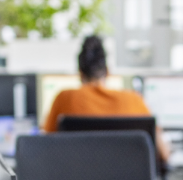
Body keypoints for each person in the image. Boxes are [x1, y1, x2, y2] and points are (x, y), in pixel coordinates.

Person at [42, 35, 170, 162]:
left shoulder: (64, 98)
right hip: (126, 175)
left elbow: (45, 148)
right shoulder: (134, 100)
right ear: (108, 72)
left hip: (76, 175)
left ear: (80, 73)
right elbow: (163, 154)